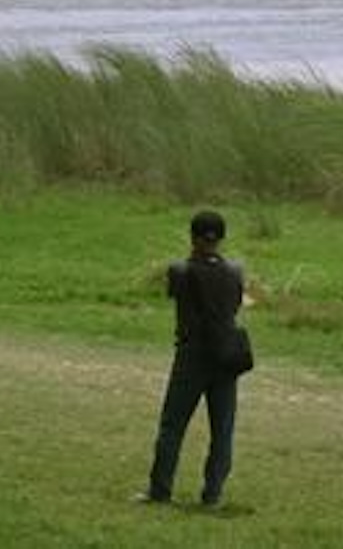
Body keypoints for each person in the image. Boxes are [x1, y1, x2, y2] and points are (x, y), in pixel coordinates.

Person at [138, 209, 245, 507]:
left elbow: (177, 297)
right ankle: (213, 494)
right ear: (221, 238)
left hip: (191, 354)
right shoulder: (235, 272)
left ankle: (160, 490)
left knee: (173, 425)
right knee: (222, 429)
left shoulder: (180, 271)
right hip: (226, 356)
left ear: (193, 236)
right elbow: (234, 305)